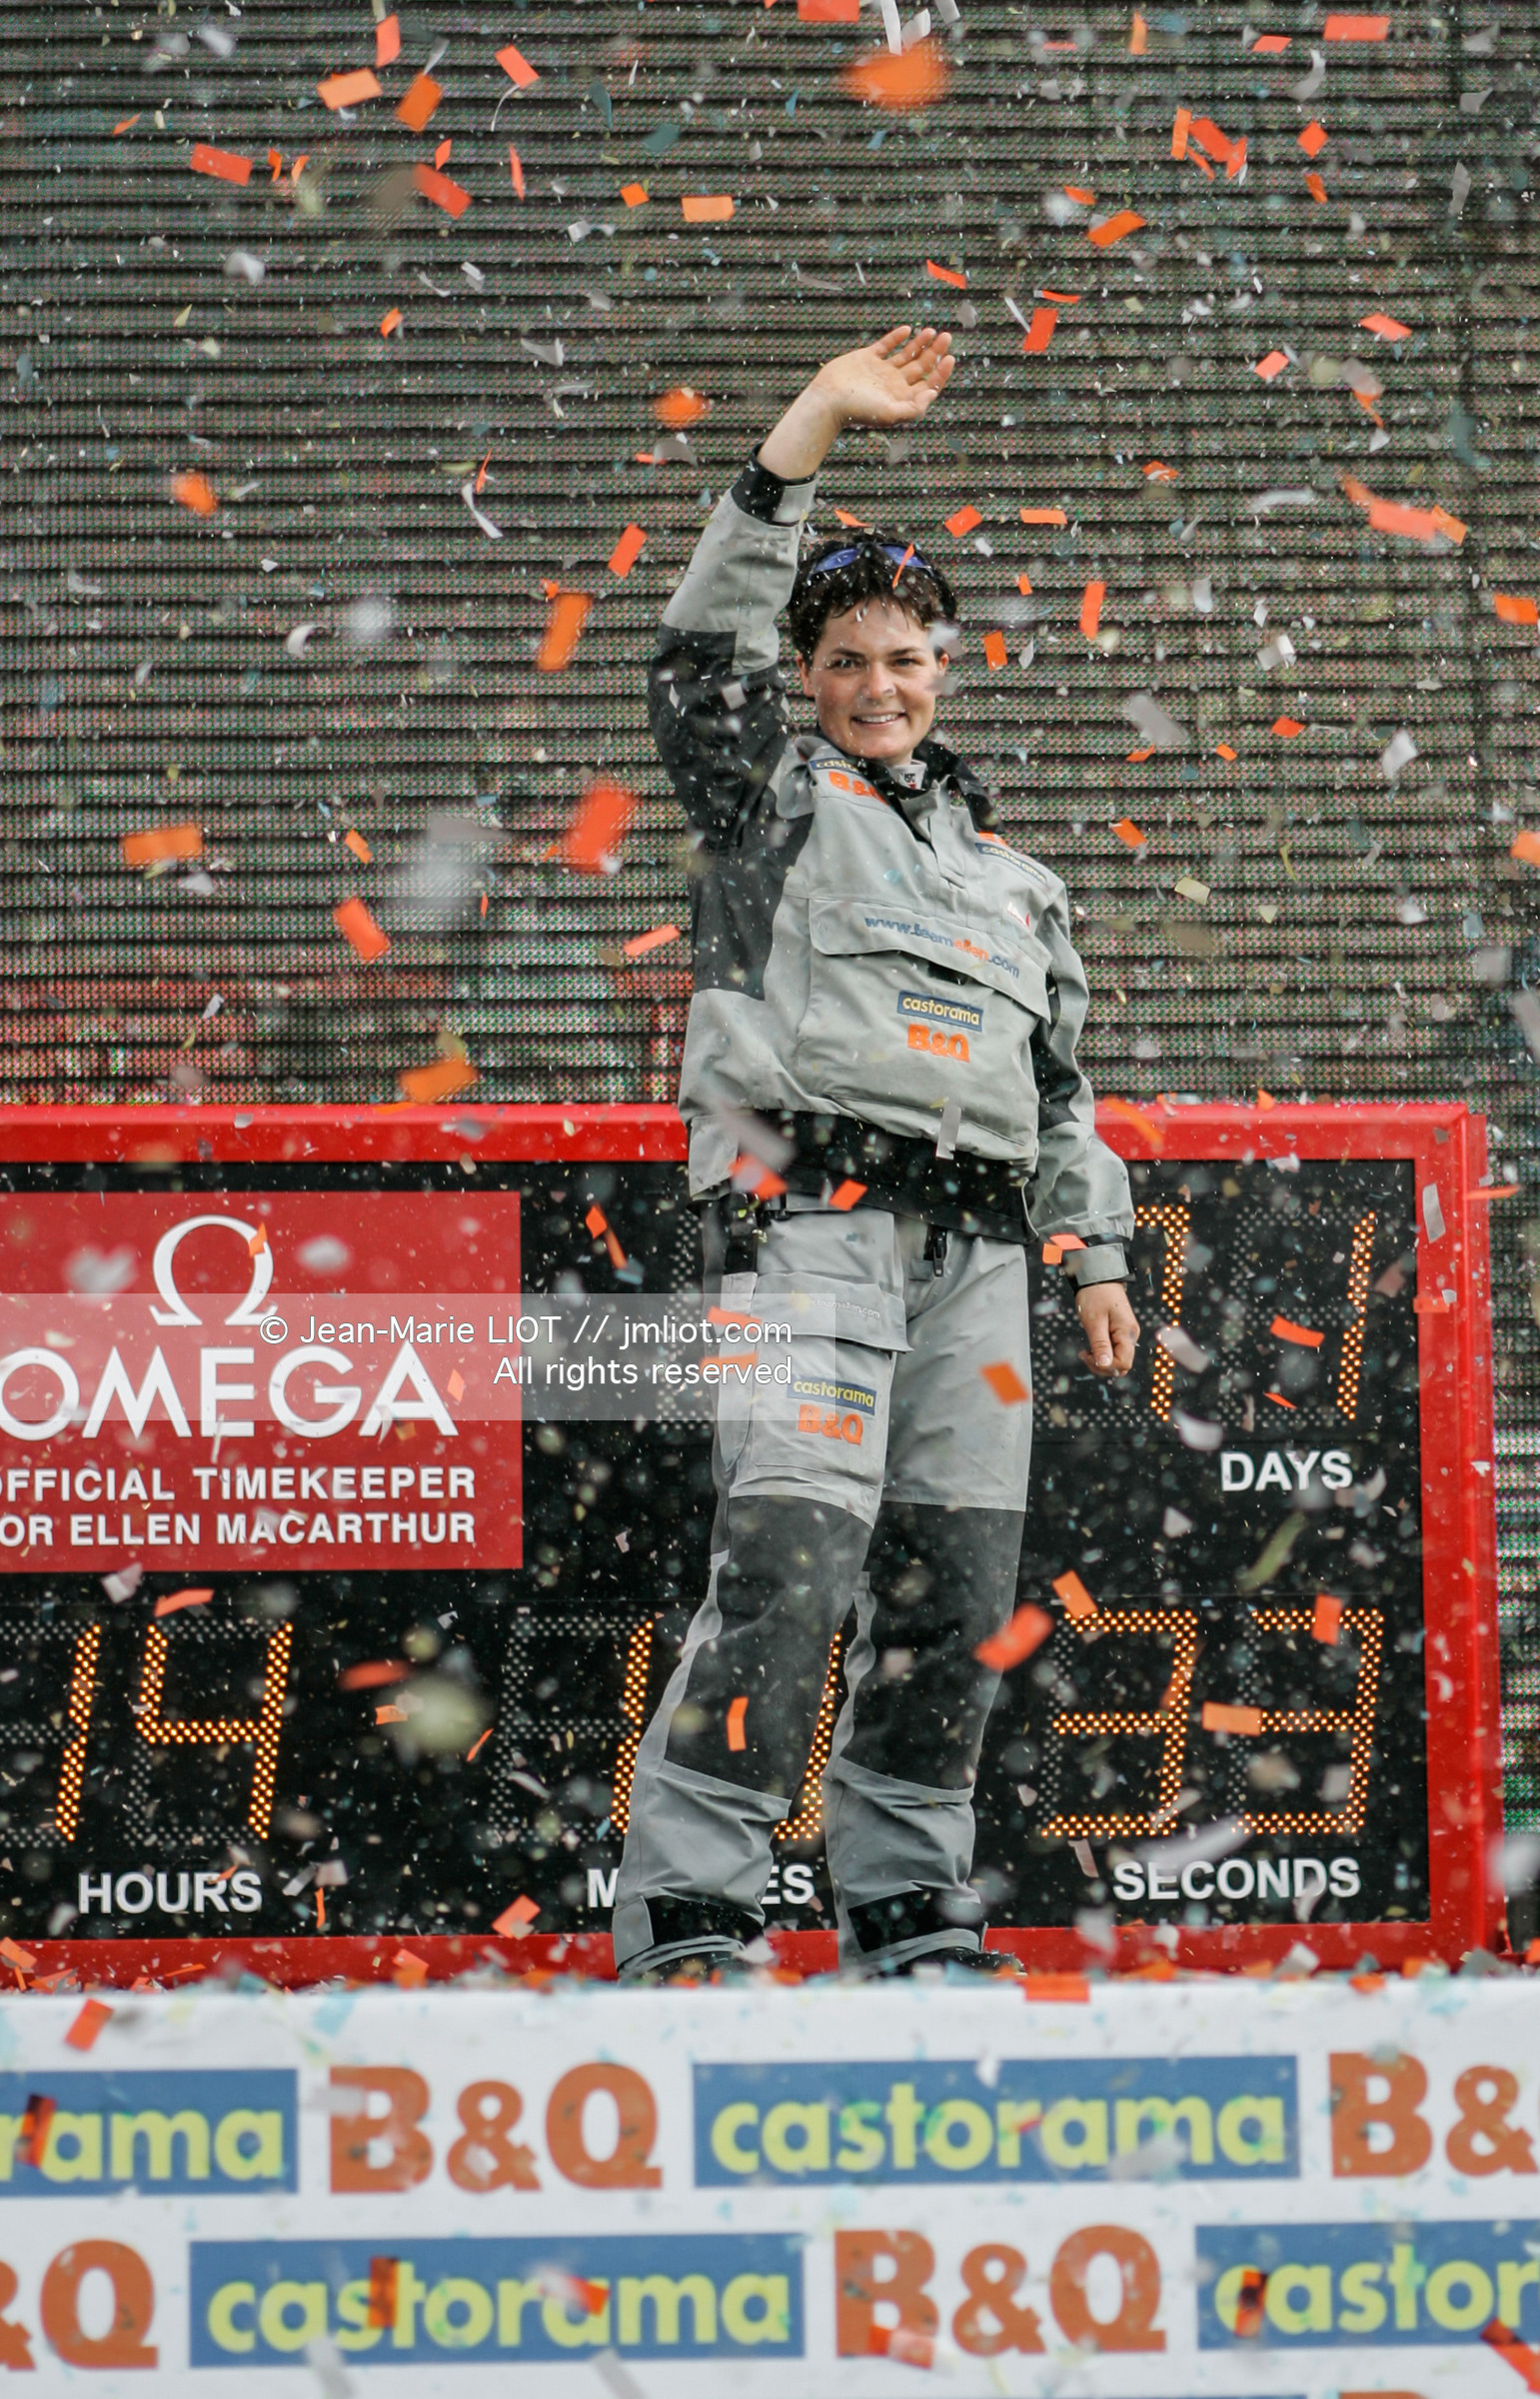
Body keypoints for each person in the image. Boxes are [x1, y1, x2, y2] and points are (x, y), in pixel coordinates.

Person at [613, 327, 1139, 1982]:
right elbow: (697, 655)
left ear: (946, 669)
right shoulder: (769, 800)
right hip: (808, 1225)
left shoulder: (1021, 884)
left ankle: (905, 1898)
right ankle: (691, 1902)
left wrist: (1095, 1249)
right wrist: (802, 440)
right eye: (846, 659)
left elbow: (1061, 1094)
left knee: (955, 1586)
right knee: (789, 1561)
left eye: (908, 657)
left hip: (980, 1268)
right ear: (811, 675)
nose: (881, 686)